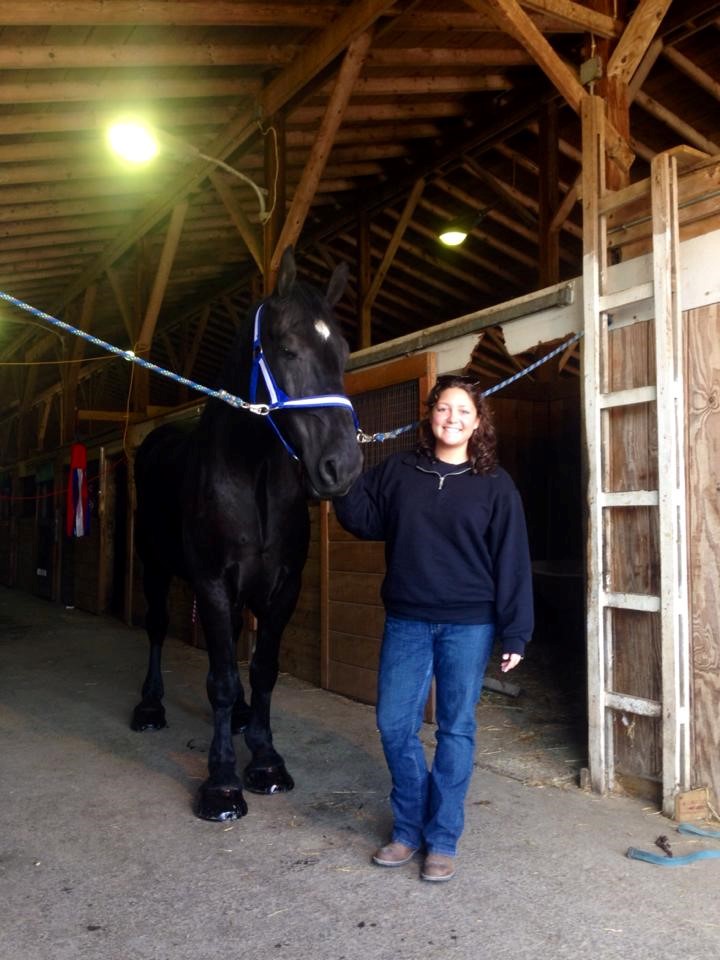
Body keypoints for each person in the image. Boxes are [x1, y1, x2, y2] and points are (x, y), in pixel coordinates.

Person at [333, 374, 533, 882]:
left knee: (455, 729)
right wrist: (334, 476)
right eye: (445, 409)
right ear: (430, 414)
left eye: (464, 412)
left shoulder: (495, 485)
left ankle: (441, 838)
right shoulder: (400, 470)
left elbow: (511, 561)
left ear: (478, 422)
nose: (453, 419)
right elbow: (364, 518)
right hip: (407, 619)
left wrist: (516, 632)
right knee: (395, 725)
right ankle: (407, 829)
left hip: (469, 624)